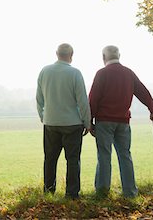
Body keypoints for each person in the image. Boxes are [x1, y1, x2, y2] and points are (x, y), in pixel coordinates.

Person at [89, 45, 153, 198]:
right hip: (123, 121)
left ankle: (102, 192)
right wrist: (152, 109)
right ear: (119, 55)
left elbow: (93, 99)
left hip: (104, 121)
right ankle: (130, 192)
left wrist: (89, 121)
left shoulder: (102, 73)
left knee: (104, 156)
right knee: (125, 155)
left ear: (103, 57)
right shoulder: (128, 73)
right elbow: (142, 91)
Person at [36, 43, 92, 199]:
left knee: (50, 159)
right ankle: (72, 194)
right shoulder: (75, 73)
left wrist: (44, 117)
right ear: (71, 55)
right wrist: (87, 122)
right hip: (72, 124)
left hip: (51, 123)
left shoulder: (44, 71)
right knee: (73, 160)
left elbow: (39, 99)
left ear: (56, 53)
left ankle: (49, 191)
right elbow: (82, 101)